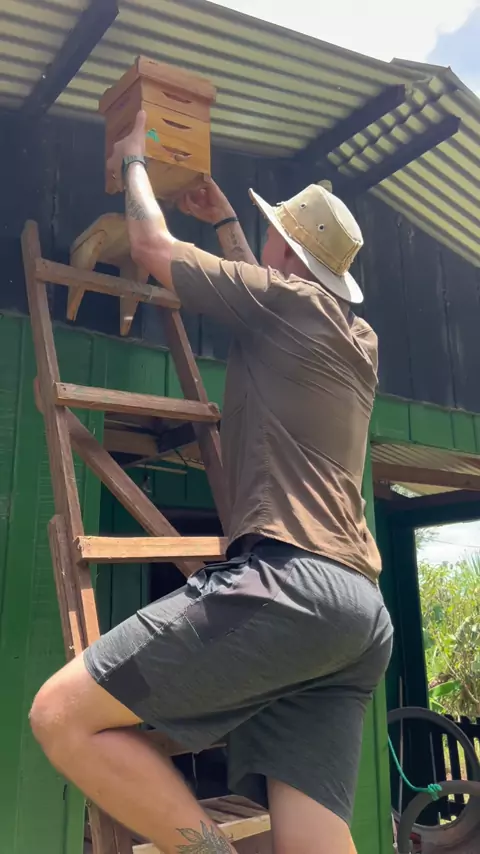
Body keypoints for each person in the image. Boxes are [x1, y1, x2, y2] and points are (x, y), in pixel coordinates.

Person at [29, 110, 393, 854]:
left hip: (291, 586)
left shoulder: (284, 303)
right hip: (359, 616)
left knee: (60, 715)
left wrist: (135, 159)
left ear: (282, 250)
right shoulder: (357, 338)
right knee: (311, 836)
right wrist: (227, 221)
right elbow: (266, 291)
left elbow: (151, 247)